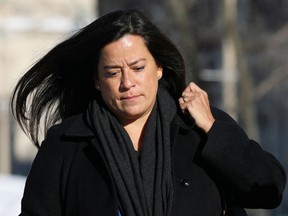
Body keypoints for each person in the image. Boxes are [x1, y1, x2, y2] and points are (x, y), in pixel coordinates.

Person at [11, 9, 286, 216]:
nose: (127, 82)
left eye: (138, 68)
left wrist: (214, 130)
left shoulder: (196, 129)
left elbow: (268, 189)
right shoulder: (66, 144)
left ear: (158, 69)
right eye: (112, 72)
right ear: (96, 80)